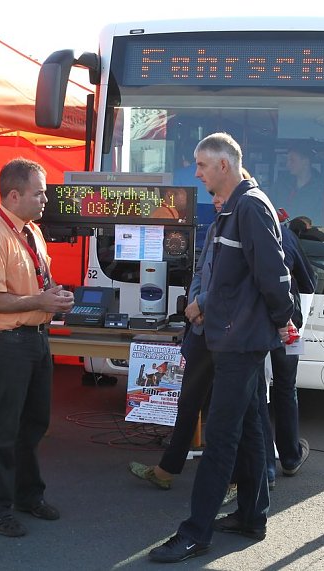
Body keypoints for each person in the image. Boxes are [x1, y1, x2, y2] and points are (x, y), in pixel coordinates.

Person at [148, 133, 295, 564]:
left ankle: (196, 533)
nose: (195, 172)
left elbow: (275, 275)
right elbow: (229, 277)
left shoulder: (249, 207)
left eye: (201, 164)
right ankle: (252, 516)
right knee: (249, 430)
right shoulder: (234, 210)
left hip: (240, 342)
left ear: (224, 167)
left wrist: (281, 321)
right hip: (233, 338)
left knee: (221, 439)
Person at [0, 158, 74, 538]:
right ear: (14, 195)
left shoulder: (31, 231)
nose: (46, 198)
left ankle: (28, 494)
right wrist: (40, 302)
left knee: (32, 424)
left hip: (32, 339)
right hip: (6, 341)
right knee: (3, 427)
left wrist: (53, 295)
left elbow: (34, 283)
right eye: (39, 192)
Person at [129, 190, 238, 505]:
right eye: (214, 196)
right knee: (190, 402)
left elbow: (231, 282)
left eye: (222, 194)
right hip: (204, 329)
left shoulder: (244, 225)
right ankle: (167, 470)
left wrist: (201, 304)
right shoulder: (219, 225)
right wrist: (195, 304)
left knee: (229, 410)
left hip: (228, 333)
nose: (216, 200)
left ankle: (239, 479)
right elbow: (202, 273)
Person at [263, 221, 317, 488]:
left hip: (252, 324)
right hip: (289, 324)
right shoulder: (286, 235)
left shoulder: (236, 228)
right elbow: (309, 283)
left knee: (257, 393)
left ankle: (264, 467)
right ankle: (290, 458)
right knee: (286, 387)